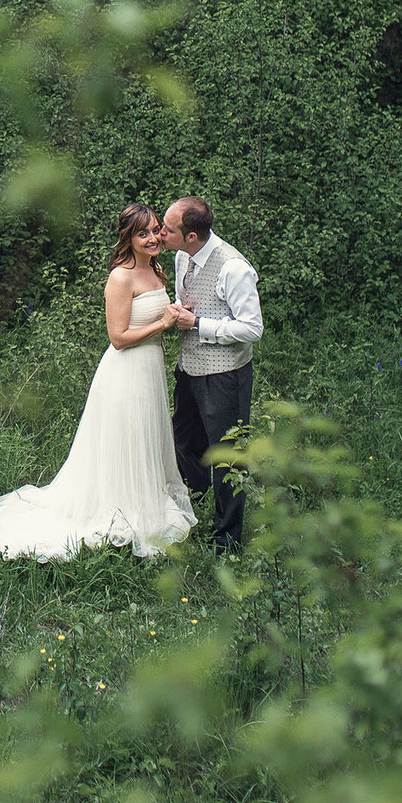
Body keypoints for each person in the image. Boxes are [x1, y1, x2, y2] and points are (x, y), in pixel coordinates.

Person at [0, 203, 199, 560]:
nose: (151, 238)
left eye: (155, 230)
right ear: (128, 239)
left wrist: (176, 315)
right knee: (125, 439)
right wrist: (162, 324)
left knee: (145, 436)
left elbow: (156, 314)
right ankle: (118, 510)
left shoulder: (158, 271)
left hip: (150, 370)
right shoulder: (121, 277)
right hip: (126, 372)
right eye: (141, 233)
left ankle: (141, 499)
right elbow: (118, 337)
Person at [163, 196, 263, 549]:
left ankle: (227, 540)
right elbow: (187, 299)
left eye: (168, 229)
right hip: (187, 369)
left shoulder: (233, 267)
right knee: (186, 444)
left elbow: (252, 328)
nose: (161, 233)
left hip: (224, 376)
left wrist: (199, 324)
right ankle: (191, 511)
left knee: (227, 456)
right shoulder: (180, 256)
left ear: (191, 236)